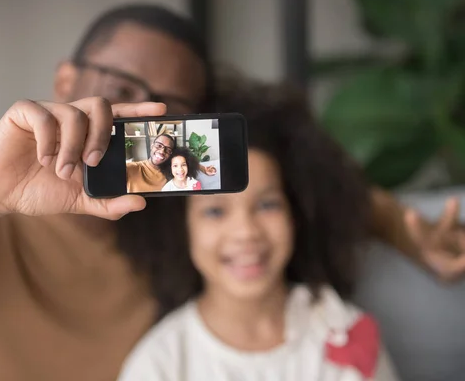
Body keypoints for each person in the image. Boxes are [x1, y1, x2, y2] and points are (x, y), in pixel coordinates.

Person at [0, 3, 462, 381]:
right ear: (65, 80)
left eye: (168, 111)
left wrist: (406, 231)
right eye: (120, 85)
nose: (131, 117)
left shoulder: (180, 233)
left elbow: (294, 192)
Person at [117, 82, 399, 381]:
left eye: (267, 205)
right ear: (180, 227)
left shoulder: (343, 329)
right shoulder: (160, 363)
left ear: (298, 212)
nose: (245, 232)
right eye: (215, 211)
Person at [126, 134, 214, 193]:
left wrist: (203, 168)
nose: (161, 151)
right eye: (159, 145)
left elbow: (184, 162)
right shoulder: (132, 168)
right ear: (152, 146)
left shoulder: (171, 170)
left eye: (167, 150)